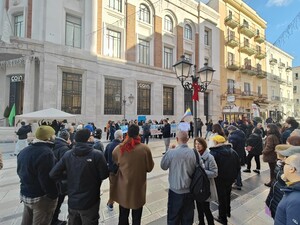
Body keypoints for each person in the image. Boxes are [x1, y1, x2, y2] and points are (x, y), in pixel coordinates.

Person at [50, 129, 109, 225]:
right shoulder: (97, 154)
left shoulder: (68, 154)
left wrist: (70, 176)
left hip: (73, 199)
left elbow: (53, 173)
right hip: (90, 200)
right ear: (88, 139)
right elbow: (104, 175)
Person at [111, 124, 154, 225]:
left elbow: (115, 161)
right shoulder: (145, 149)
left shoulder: (119, 148)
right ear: (138, 133)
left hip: (123, 189)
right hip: (138, 189)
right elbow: (149, 168)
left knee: (123, 216)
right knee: (136, 219)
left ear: (127, 133)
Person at [17, 125, 58, 225]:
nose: (55, 136)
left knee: (27, 221)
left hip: (26, 193)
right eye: (54, 134)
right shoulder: (46, 153)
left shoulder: (24, 150)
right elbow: (46, 179)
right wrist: (53, 195)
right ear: (48, 137)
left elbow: (19, 171)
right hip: (40, 198)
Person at [161, 130, 197, 225]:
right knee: (187, 219)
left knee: (173, 218)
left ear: (177, 139)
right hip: (189, 191)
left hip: (175, 191)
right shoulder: (194, 153)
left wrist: (169, 150)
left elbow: (163, 166)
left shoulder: (172, 152)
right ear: (188, 139)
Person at [209, 135, 240, 225]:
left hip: (219, 179)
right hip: (230, 178)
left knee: (221, 198)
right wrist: (234, 177)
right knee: (227, 194)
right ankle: (228, 211)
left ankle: (223, 218)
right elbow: (238, 166)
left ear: (216, 142)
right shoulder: (233, 152)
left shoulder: (214, 153)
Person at [265, 145, 300, 219]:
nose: (284, 159)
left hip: (279, 203)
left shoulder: (295, 196)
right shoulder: (282, 167)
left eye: (286, 158)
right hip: (274, 200)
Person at [194, 137, 218, 225]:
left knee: (206, 208)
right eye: (196, 144)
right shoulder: (195, 156)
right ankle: (201, 223)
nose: (197, 146)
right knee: (199, 208)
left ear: (203, 145)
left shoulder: (209, 157)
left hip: (205, 187)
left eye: (199, 144)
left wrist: (202, 172)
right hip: (197, 187)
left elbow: (215, 173)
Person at [51, 130, 72, 225]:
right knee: (59, 201)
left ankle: (53, 219)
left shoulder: (53, 144)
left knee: (56, 201)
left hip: (53, 178)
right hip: (60, 179)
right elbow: (66, 166)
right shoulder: (64, 148)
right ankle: (54, 220)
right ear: (67, 138)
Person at [274, 153, 300, 225]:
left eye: (285, 163)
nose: (283, 166)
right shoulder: (294, 188)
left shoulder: (296, 201)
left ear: (292, 169)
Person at [104, 129, 124, 211]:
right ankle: (121, 201)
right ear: (120, 137)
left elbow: (104, 157)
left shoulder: (109, 145)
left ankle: (110, 204)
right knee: (122, 187)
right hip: (121, 171)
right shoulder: (122, 146)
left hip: (112, 171)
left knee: (112, 187)